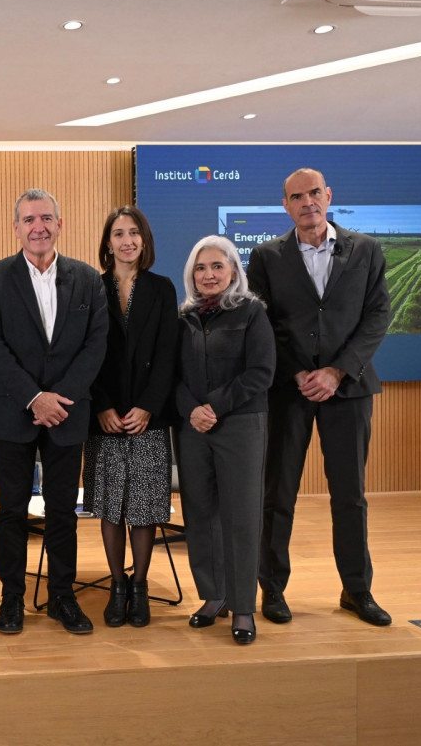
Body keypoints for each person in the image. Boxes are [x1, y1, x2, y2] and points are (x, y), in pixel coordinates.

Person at [247, 168, 392, 627]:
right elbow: (262, 324)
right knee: (278, 494)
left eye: (314, 193)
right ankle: (271, 590)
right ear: (285, 205)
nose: (307, 202)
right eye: (296, 196)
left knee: (350, 496)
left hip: (348, 389)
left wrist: (336, 371)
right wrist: (297, 373)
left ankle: (357, 590)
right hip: (288, 392)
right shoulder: (267, 256)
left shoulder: (366, 250)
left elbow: (377, 316)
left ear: (328, 196)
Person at [0, 188, 108, 635]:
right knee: (11, 510)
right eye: (29, 220)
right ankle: (11, 598)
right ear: (16, 228)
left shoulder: (88, 279)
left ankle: (61, 597)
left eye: (47, 218)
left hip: (68, 413)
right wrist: (36, 397)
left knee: (62, 512)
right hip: (15, 410)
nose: (39, 227)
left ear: (59, 224)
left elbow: (96, 347)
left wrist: (59, 398)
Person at [176, 235, 275, 645]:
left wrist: (213, 406)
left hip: (239, 424)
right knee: (200, 512)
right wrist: (191, 409)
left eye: (218, 266)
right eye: (201, 268)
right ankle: (213, 596)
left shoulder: (252, 313)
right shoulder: (182, 318)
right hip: (192, 427)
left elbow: (261, 372)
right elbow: (170, 374)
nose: (209, 274)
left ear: (234, 270)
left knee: (240, 516)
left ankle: (244, 607)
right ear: (191, 275)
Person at [82, 206, 178, 628]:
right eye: (118, 234)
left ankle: (139, 587)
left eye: (134, 233)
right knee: (110, 505)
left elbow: (168, 354)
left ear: (144, 239)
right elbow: (85, 353)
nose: (127, 241)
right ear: (107, 243)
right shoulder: (90, 287)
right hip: (103, 415)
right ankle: (116, 585)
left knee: (143, 506)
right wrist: (101, 404)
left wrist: (149, 406)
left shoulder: (162, 288)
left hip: (147, 417)